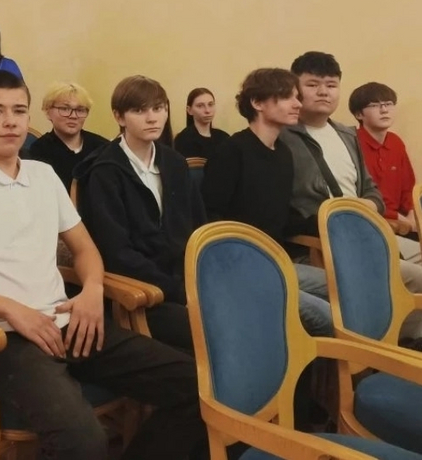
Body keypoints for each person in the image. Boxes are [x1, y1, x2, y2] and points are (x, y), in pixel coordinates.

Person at [0, 71, 206, 460]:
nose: (11, 121)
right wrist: (11, 309)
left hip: (68, 321)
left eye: (19, 111)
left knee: (200, 388)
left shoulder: (43, 175)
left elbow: (84, 249)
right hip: (4, 338)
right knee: (83, 441)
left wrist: (92, 290)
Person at [281, 51, 422, 339]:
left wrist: (365, 204)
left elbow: (372, 191)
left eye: (331, 85)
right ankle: (393, 346)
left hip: (364, 234)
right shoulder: (283, 138)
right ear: (295, 89)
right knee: (410, 279)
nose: (323, 92)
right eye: (313, 84)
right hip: (321, 246)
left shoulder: (346, 135)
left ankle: (402, 344)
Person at [75, 76, 206, 353]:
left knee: (256, 311)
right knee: (220, 332)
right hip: (143, 293)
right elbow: (116, 253)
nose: (152, 118)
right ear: (119, 117)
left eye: (158, 108)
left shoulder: (174, 162)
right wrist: (177, 291)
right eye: (139, 110)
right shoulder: (104, 170)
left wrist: (201, 282)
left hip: (186, 283)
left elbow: (198, 229)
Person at [202, 68, 332, 338]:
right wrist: (242, 264)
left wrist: (328, 224)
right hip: (240, 269)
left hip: (277, 262)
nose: (298, 104)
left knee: (348, 286)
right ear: (257, 103)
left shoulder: (283, 152)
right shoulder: (232, 151)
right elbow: (210, 218)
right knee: (326, 316)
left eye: (297, 97)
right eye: (287, 97)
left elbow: (281, 214)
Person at [349, 82, 418, 249]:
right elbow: (358, 196)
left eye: (388, 104)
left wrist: (412, 216)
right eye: (374, 105)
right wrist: (400, 219)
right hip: (371, 222)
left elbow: (408, 188)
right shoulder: (351, 142)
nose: (384, 110)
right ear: (359, 114)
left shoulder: (395, 142)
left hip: (402, 222)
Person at [29, 81, 107, 193]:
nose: (73, 116)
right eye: (65, 109)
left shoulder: (102, 148)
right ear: (48, 112)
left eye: (80, 110)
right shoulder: (39, 150)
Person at [173, 88, 229, 159]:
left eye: (210, 104)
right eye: (200, 106)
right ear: (189, 110)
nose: (207, 110)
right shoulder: (183, 140)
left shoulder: (224, 138)